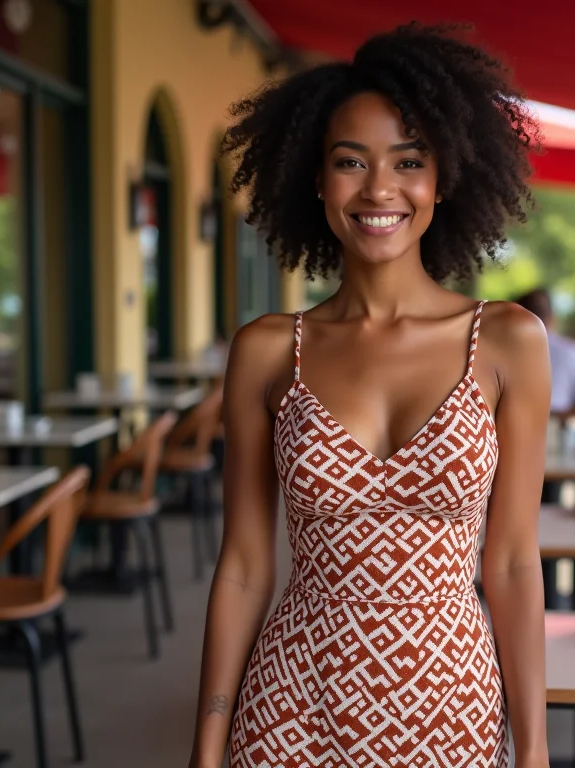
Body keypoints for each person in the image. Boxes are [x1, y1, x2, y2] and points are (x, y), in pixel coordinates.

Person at [190, 24, 550, 768]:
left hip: (453, 712)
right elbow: (244, 566)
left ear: (442, 179)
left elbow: (514, 562)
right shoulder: (266, 350)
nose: (379, 188)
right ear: (316, 180)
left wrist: (536, 750)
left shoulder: (508, 342)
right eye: (350, 161)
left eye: (408, 162)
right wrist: (207, 743)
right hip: (290, 710)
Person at [516, 288, 575, 418]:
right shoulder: (571, 352)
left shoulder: (501, 350)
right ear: (553, 318)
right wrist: (553, 414)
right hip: (553, 424)